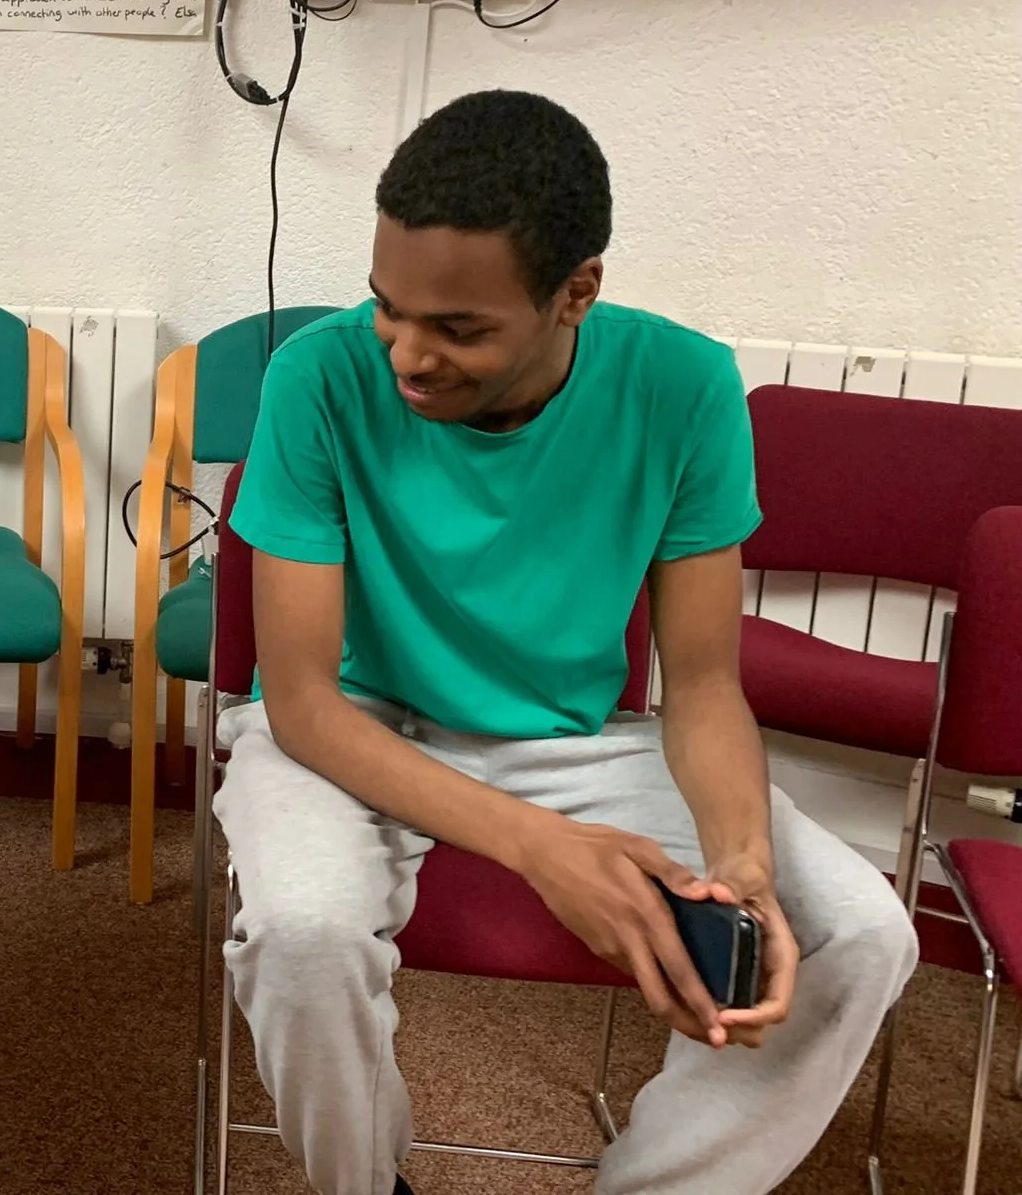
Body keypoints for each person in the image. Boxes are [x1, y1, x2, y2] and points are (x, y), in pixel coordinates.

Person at [216, 90, 917, 1195]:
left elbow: (698, 687)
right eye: (385, 307)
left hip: (573, 739)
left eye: (457, 329)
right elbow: (299, 703)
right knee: (304, 938)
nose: (403, 353)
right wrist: (538, 848)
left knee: (863, 935)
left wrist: (741, 857)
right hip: (346, 728)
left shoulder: (682, 386)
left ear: (574, 293)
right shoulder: (316, 373)